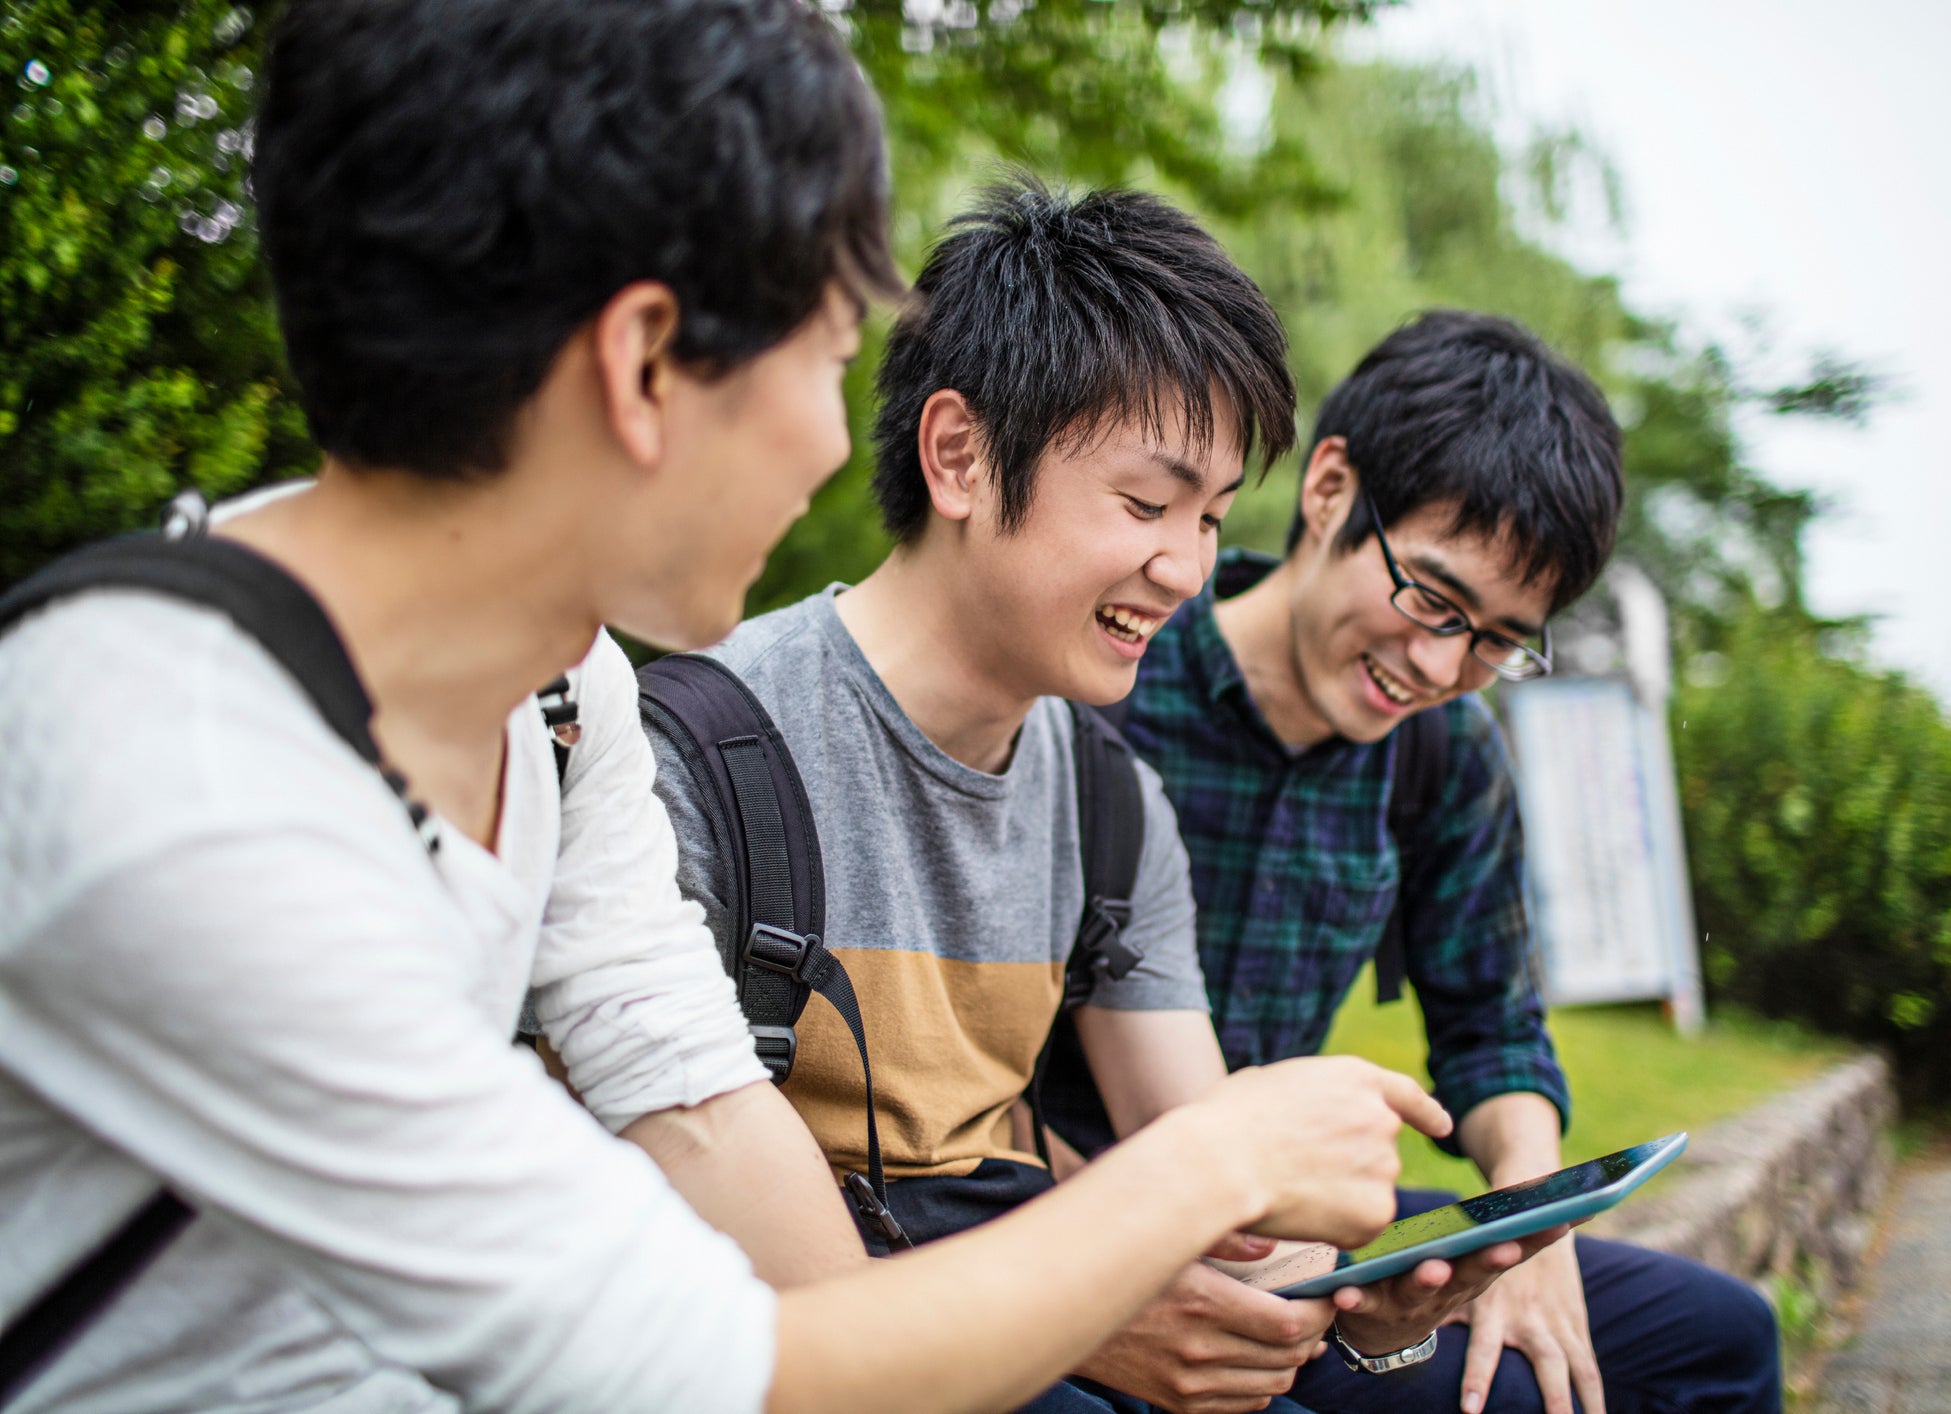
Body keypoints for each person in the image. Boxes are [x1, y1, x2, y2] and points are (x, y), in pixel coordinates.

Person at [0, 3, 1452, 1409]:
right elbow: (721, 1371)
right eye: (825, 356)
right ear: (643, 364)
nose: (835, 438)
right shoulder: (186, 788)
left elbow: (695, 1098)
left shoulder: (568, 703)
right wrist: (1203, 1169)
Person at [647, 181, 1564, 1414]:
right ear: (961, 455)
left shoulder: (1111, 802)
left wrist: (1354, 1295)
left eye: (1213, 516)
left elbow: (1200, 1170)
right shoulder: (694, 758)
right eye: (1146, 505)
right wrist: (1089, 1316)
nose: (1187, 568)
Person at [1104, 311, 1785, 1414]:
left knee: (1722, 1338)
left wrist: (1531, 1223)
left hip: (1307, 1220)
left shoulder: (1444, 750)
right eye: (1430, 596)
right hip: (1095, 1208)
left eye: (1499, 639)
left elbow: (1490, 1025)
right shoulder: (1118, 676)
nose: (1437, 664)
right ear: (1329, 488)